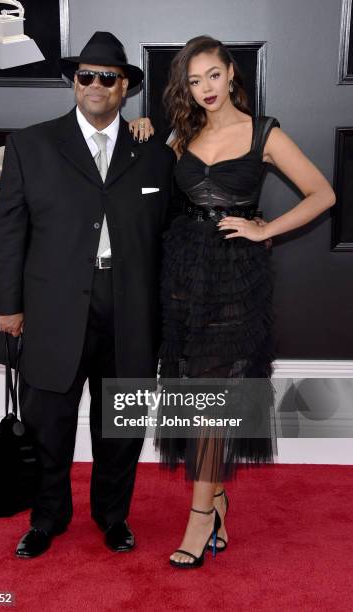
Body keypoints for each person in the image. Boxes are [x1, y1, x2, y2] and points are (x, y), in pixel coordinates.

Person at [133, 34, 336, 569]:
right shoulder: (182, 133)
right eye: (194, 80)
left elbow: (323, 193)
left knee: (213, 399)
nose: (205, 89)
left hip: (234, 278)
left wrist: (262, 225)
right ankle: (217, 502)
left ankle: (200, 517)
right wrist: (144, 128)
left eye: (213, 76)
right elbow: (145, 177)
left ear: (231, 74)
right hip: (181, 273)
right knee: (192, 392)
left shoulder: (264, 132)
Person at [0, 31, 174, 558]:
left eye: (107, 78)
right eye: (86, 76)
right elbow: (8, 233)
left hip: (130, 307)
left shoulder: (153, 155)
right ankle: (47, 518)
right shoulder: (31, 143)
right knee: (49, 425)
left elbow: (168, 236)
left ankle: (113, 516)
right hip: (52, 309)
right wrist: (9, 306)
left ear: (125, 89)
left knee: (121, 424)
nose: (95, 85)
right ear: (75, 83)